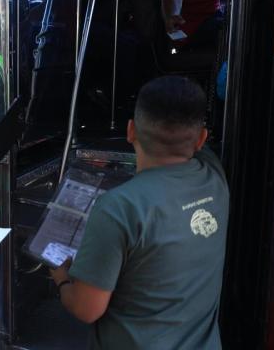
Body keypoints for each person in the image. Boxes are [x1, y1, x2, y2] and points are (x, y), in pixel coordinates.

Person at [50, 76, 229, 349]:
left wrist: (61, 279)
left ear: (130, 131)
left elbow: (88, 309)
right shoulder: (214, 177)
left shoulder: (118, 207)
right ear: (202, 139)